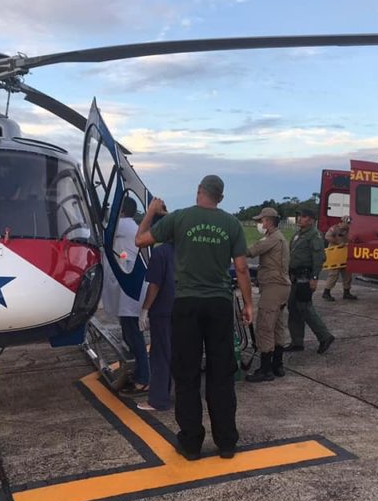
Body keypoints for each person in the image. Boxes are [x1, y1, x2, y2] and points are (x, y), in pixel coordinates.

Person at [135, 175, 253, 461]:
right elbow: (241, 268)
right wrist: (248, 304)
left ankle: (190, 444)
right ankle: (226, 442)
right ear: (221, 198)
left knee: (186, 375)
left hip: (186, 304)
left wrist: (151, 211)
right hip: (219, 304)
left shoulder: (179, 218)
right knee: (221, 374)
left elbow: (140, 240)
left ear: (199, 191)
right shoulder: (232, 224)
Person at [102, 196, 149, 394]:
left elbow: (101, 229)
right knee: (130, 333)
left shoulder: (123, 226)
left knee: (134, 335)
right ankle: (138, 371)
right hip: (131, 289)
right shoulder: (131, 226)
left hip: (131, 291)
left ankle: (144, 378)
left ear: (121, 211)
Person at [245, 207, 290, 382]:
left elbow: (252, 251)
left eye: (261, 221)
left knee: (264, 326)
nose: (260, 224)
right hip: (281, 287)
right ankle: (277, 365)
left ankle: (265, 370)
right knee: (277, 326)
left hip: (273, 287)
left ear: (269, 221)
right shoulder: (279, 238)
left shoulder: (272, 239)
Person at [284, 207, 335, 354]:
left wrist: (314, 278)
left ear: (311, 220)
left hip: (305, 277)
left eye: (304, 216)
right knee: (293, 308)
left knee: (305, 307)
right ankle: (297, 341)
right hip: (295, 277)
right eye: (299, 216)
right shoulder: (299, 234)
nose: (300, 218)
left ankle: (325, 336)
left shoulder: (314, 236)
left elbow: (319, 258)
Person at [137, 241, 175, 412]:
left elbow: (155, 285)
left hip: (164, 311)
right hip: (185, 309)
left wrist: (145, 309)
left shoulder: (160, 253)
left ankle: (158, 400)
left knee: (160, 355)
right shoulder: (190, 250)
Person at [322, 216, 357, 301]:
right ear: (342, 222)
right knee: (333, 274)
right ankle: (326, 292)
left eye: (349, 223)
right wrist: (338, 242)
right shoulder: (334, 228)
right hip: (335, 254)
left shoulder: (351, 230)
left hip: (345, 255)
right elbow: (327, 237)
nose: (348, 225)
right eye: (347, 223)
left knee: (347, 274)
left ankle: (346, 292)